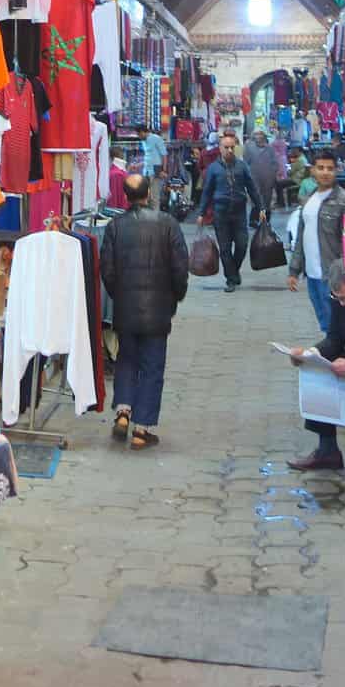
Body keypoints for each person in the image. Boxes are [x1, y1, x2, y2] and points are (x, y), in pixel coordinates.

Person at [99, 172, 189, 450]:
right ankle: (142, 428)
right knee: (152, 366)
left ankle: (123, 411)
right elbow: (179, 268)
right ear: (148, 194)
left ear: (125, 196)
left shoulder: (115, 226)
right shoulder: (168, 224)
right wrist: (176, 296)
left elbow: (107, 270)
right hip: (159, 308)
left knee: (127, 359)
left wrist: (120, 295)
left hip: (126, 307)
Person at [286, 283, 345, 472]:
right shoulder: (339, 303)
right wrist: (309, 354)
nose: (343, 304)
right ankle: (327, 450)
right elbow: (334, 339)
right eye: (338, 298)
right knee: (320, 374)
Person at [287, 148, 345, 335]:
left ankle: (343, 361)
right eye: (321, 168)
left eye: (330, 168)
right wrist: (294, 270)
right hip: (312, 275)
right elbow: (301, 237)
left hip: (333, 276)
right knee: (325, 326)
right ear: (313, 171)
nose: (325, 172)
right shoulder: (308, 200)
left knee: (339, 328)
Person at [196, 130, 265, 293]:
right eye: (226, 147)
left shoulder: (242, 166)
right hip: (220, 213)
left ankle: (233, 271)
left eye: (232, 147)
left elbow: (252, 188)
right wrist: (201, 213)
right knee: (225, 249)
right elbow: (207, 192)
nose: (229, 150)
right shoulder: (213, 169)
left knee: (242, 245)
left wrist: (260, 207)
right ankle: (231, 279)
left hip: (239, 212)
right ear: (220, 148)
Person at [244, 129, 278, 212]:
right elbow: (246, 162)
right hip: (255, 177)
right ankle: (256, 219)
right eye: (257, 134)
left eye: (260, 134)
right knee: (256, 198)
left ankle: (266, 220)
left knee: (267, 199)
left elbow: (274, 163)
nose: (259, 136)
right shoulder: (249, 148)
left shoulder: (270, 148)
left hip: (268, 179)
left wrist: (273, 174)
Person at [138, 124, 167, 210]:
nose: (139, 136)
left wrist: (164, 170)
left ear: (143, 132)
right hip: (146, 171)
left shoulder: (156, 138)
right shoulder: (143, 141)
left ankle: (155, 219)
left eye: (139, 134)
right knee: (147, 196)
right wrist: (138, 165)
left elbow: (164, 155)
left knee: (154, 196)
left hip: (155, 170)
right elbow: (148, 156)